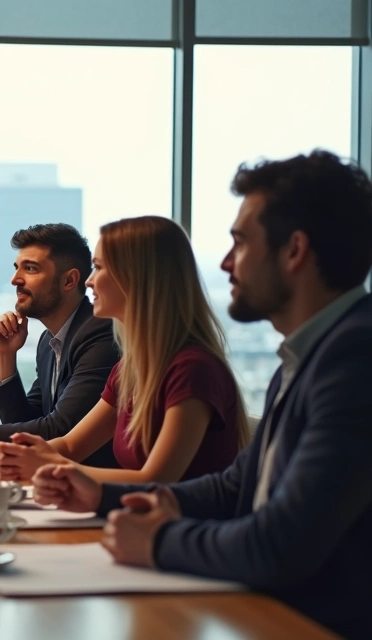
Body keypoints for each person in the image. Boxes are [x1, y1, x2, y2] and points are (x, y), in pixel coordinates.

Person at [33, 150, 372, 637]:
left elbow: (279, 545)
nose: (226, 262)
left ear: (294, 251)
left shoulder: (353, 361)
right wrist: (102, 493)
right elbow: (236, 486)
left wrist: (159, 542)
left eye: (241, 243)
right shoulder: (309, 355)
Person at [0, 216, 247, 484]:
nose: (89, 281)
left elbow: (156, 480)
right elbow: (70, 445)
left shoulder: (192, 369)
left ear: (138, 278)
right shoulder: (129, 369)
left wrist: (44, 465)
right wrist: (9, 459)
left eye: (99, 268)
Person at [0, 224, 120, 468]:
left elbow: (61, 429)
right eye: (17, 268)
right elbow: (25, 421)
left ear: (69, 280)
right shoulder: (48, 342)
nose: (15, 279)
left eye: (30, 269)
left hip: (93, 483)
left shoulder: (101, 334)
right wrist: (6, 355)